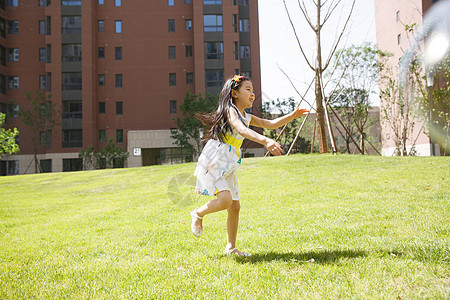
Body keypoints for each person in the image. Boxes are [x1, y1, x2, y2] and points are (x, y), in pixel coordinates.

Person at [190, 75, 309, 257]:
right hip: (216, 159)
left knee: (235, 207)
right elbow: (242, 130)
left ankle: (231, 248)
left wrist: (291, 116)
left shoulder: (247, 115)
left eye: (253, 91)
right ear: (235, 93)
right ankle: (198, 213)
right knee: (225, 200)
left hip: (229, 161)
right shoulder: (231, 111)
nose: (252, 94)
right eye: (248, 89)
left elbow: (269, 124)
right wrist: (265, 141)